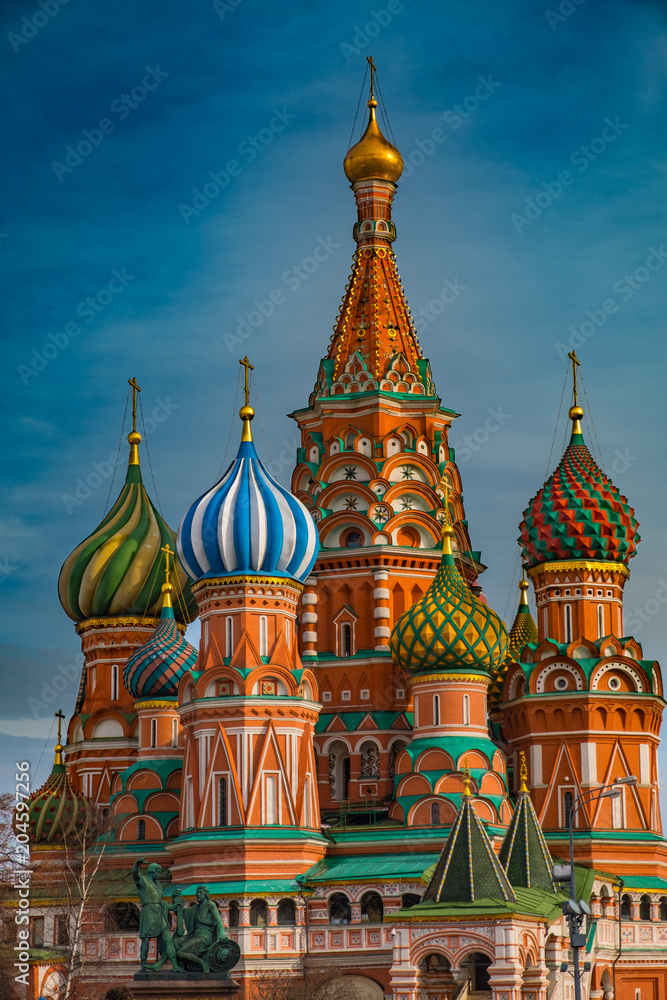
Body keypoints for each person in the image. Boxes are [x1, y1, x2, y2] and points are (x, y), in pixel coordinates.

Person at [131, 858, 183, 973]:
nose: (159, 874)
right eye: (158, 872)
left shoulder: (158, 884)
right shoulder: (143, 881)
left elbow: (162, 902)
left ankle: (175, 966)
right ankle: (143, 966)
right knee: (146, 940)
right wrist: (137, 864)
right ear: (152, 871)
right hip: (148, 913)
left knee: (168, 939)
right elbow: (135, 874)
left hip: (159, 914)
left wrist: (174, 899)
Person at [177, 885, 226, 974]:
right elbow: (183, 912)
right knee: (176, 943)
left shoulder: (210, 904)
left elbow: (219, 921)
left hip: (205, 936)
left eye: (200, 892)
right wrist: (177, 903)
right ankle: (180, 966)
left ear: (206, 894)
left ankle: (203, 964)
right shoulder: (196, 907)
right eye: (197, 893)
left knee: (181, 952)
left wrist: (222, 933)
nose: (198, 895)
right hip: (194, 935)